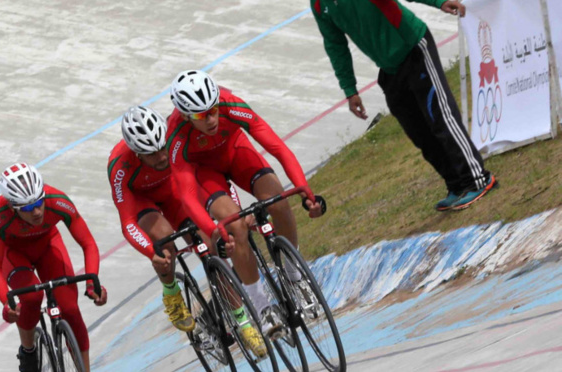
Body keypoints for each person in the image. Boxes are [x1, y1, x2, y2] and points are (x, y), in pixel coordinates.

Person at [167, 70, 326, 357]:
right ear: (187, 116)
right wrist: (218, 230)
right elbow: (187, 197)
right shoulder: (175, 135)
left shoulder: (231, 104)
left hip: (235, 152)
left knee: (278, 201)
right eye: (202, 116)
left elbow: (277, 147)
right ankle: (262, 307)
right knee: (237, 227)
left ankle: (294, 277)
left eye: (213, 110)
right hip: (205, 173)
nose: (212, 119)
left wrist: (305, 189)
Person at [311, 0, 497, 211]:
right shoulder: (318, 5)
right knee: (419, 133)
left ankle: (478, 179)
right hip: (389, 68)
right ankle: (456, 184)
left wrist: (439, 2)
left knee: (441, 117)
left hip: (414, 48)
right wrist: (350, 89)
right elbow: (335, 44)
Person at [0, 162, 107, 372]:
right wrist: (7, 303)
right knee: (31, 298)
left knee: (69, 308)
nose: (36, 211)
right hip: (14, 254)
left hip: (47, 244)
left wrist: (92, 282)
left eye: (39, 203)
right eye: (27, 208)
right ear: (13, 208)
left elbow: (88, 243)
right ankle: (28, 350)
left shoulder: (57, 200)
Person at [107, 105, 202, 333]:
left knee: (203, 236)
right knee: (165, 239)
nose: (161, 157)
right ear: (136, 153)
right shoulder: (120, 166)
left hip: (171, 191)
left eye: (162, 148)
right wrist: (152, 252)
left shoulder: (174, 136)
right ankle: (171, 294)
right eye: (151, 154)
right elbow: (128, 223)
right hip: (142, 201)